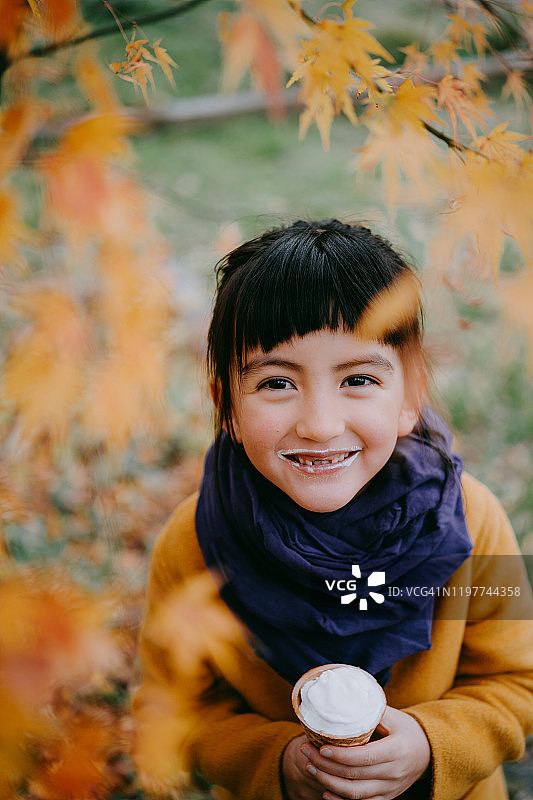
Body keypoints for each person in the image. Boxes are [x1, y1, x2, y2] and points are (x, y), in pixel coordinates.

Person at [133, 219, 533, 800]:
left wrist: (431, 743)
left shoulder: (475, 519)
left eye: (359, 378)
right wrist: (275, 763)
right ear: (227, 404)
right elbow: (176, 708)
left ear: (411, 395)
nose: (319, 424)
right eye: (276, 383)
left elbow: (519, 681)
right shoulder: (194, 542)